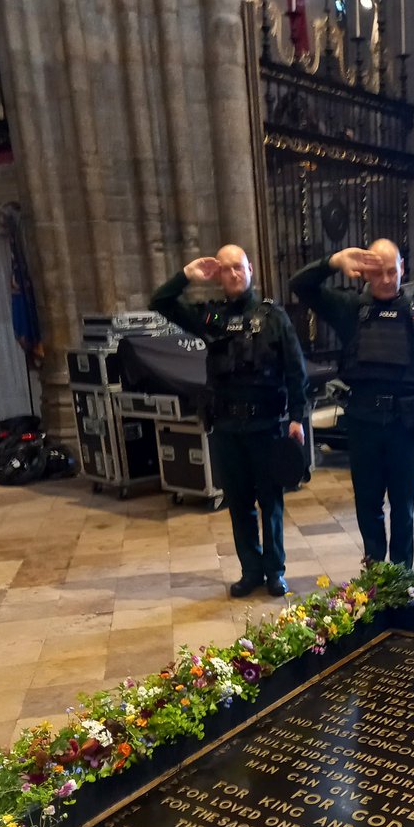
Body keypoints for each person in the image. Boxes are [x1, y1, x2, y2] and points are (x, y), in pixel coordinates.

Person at [150, 245, 308, 598]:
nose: (233, 274)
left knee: (271, 503)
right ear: (218, 275)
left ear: (250, 268)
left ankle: (274, 572)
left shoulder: (274, 317)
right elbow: (159, 302)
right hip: (226, 429)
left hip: (266, 427)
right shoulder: (212, 318)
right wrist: (187, 275)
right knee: (238, 504)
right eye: (226, 270)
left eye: (238, 267)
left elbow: (296, 371)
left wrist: (297, 417)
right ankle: (250, 570)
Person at [289, 240, 414, 568]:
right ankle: (375, 568)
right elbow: (299, 284)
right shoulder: (349, 310)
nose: (387, 279)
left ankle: (401, 575)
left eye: (392, 270)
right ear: (365, 274)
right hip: (364, 423)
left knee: (404, 507)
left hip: (405, 424)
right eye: (378, 272)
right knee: (368, 503)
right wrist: (333, 260)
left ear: (403, 267)